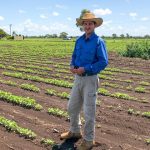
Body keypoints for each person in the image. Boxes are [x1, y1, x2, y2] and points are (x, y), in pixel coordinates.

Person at [60, 11, 108, 150]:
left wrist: (86, 69)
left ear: (95, 25)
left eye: (90, 23)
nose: (87, 26)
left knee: (89, 111)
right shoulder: (79, 40)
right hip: (78, 79)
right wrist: (72, 65)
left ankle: (88, 140)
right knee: (72, 107)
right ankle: (75, 131)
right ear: (82, 25)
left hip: (90, 79)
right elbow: (74, 56)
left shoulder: (99, 41)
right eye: (85, 23)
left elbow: (103, 62)